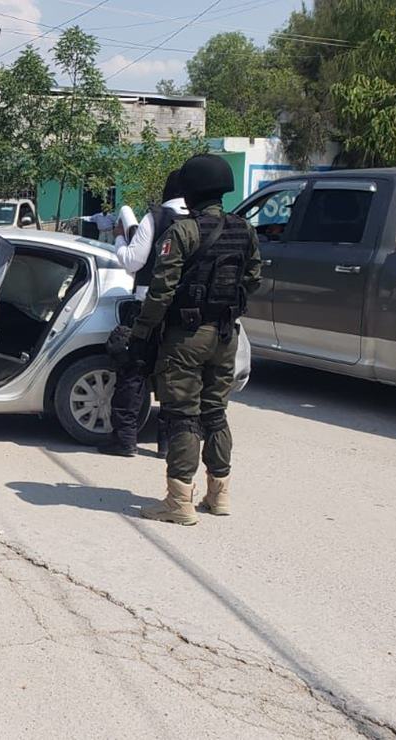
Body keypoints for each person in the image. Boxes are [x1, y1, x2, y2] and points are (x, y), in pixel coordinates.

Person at [128, 154, 262, 525]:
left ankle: (178, 502)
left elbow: (160, 291)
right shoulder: (243, 229)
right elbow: (253, 280)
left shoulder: (182, 232)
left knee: (182, 416)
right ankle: (219, 495)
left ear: (189, 191)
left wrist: (141, 334)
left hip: (185, 336)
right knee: (215, 412)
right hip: (225, 334)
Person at [99, 171, 188, 457]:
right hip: (184, 312)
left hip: (148, 306)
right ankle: (165, 444)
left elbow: (131, 262)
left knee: (133, 373)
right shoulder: (200, 220)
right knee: (172, 377)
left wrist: (119, 240)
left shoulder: (157, 218)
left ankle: (124, 440)